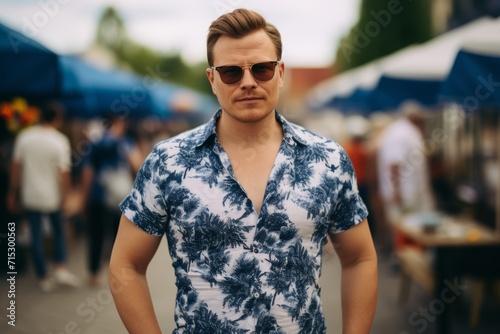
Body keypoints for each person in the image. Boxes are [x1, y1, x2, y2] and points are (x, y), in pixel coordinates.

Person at [109, 8, 378, 334]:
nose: (248, 82)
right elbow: (126, 265)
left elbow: (360, 259)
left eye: (262, 69)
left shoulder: (328, 160)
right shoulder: (168, 162)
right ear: (212, 79)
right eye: (231, 73)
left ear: (280, 73)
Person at [7, 101, 80, 291]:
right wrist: (66, 195)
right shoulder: (59, 140)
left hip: (30, 195)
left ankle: (42, 275)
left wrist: (13, 192)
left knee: (36, 234)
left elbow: (16, 167)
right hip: (53, 195)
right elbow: (64, 173)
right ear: (57, 119)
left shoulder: (25, 137)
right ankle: (60, 267)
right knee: (58, 231)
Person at [80, 113, 142, 286]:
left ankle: (93, 274)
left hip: (97, 196)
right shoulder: (125, 143)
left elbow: (87, 173)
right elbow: (137, 166)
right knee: (118, 236)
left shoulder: (94, 144)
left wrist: (84, 198)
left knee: (95, 235)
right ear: (117, 124)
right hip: (119, 198)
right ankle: (115, 271)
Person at [377, 101, 436, 253]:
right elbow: (393, 163)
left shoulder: (407, 131)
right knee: (404, 229)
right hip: (405, 193)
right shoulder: (400, 132)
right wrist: (396, 191)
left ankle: (410, 260)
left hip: (410, 193)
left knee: (411, 229)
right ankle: (404, 261)